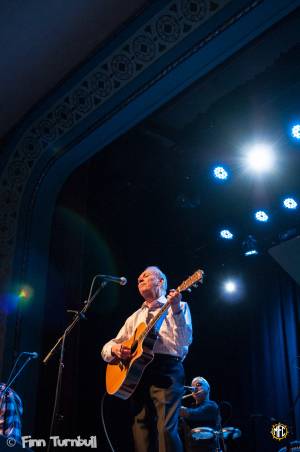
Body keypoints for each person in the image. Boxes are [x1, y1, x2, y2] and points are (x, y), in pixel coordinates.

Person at [101, 266, 193, 452]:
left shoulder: (179, 307)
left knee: (166, 430)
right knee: (140, 429)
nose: (139, 278)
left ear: (161, 282)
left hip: (166, 370)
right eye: (139, 277)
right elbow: (106, 348)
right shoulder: (135, 317)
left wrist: (175, 309)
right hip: (138, 373)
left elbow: (184, 341)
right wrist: (117, 349)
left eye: (146, 275)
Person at [179, 377, 220, 451]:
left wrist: (173, 402)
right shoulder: (191, 406)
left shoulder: (212, 406)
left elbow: (193, 414)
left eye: (198, 384)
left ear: (208, 388)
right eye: (192, 387)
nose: (194, 389)